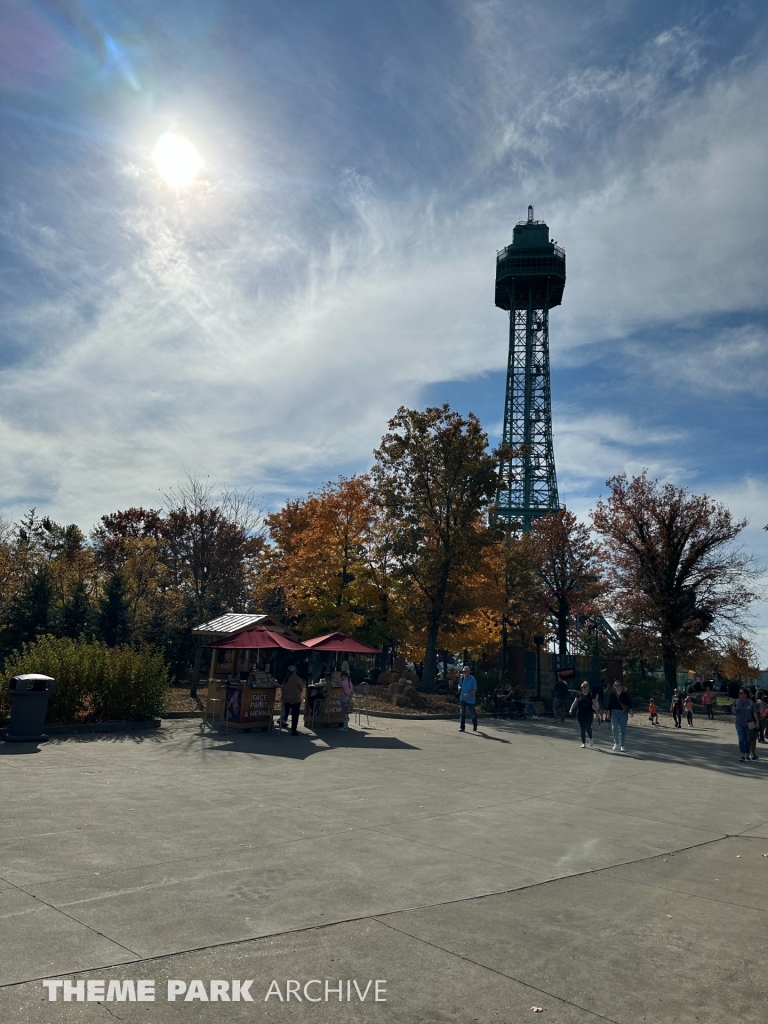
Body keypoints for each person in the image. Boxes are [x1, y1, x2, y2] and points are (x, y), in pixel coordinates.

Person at [732, 688, 759, 762]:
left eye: (741, 693)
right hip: (739, 723)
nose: (740, 694)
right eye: (740, 693)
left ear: (745, 694)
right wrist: (734, 710)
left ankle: (747, 754)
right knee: (741, 739)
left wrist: (757, 722)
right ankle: (742, 755)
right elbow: (733, 709)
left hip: (749, 723)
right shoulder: (736, 701)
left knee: (747, 739)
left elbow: (754, 712)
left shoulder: (750, 703)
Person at [607, 680, 633, 751]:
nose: (617, 687)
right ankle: (616, 743)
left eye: (618, 685)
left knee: (622, 729)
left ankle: (622, 745)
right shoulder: (612, 695)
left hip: (623, 713)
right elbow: (609, 705)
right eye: (615, 685)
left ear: (621, 686)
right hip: (614, 713)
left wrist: (631, 711)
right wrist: (608, 713)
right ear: (614, 687)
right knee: (614, 727)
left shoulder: (625, 695)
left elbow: (629, 703)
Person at [570, 681, 597, 747]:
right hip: (580, 714)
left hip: (588, 714)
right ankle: (583, 743)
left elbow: (594, 705)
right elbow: (575, 702)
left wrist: (597, 714)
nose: (583, 688)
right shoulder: (579, 695)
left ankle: (590, 738)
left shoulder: (591, 695)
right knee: (582, 728)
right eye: (582, 687)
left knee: (588, 727)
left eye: (584, 687)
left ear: (588, 687)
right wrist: (571, 709)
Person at [280, 664, 304, 735]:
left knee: (286, 709)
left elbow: (282, 688)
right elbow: (301, 688)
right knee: (295, 714)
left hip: (285, 699)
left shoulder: (285, 679)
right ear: (294, 671)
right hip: (295, 699)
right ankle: (293, 730)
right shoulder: (296, 678)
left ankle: (283, 721)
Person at [458, 665, 478, 732]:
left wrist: (469, 694)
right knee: (462, 713)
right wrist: (459, 687)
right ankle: (462, 727)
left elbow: (475, 689)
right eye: (463, 671)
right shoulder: (462, 678)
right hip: (462, 698)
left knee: (473, 713)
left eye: (465, 671)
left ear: (469, 672)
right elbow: (459, 684)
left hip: (470, 699)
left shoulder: (472, 679)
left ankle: (475, 725)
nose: (464, 672)